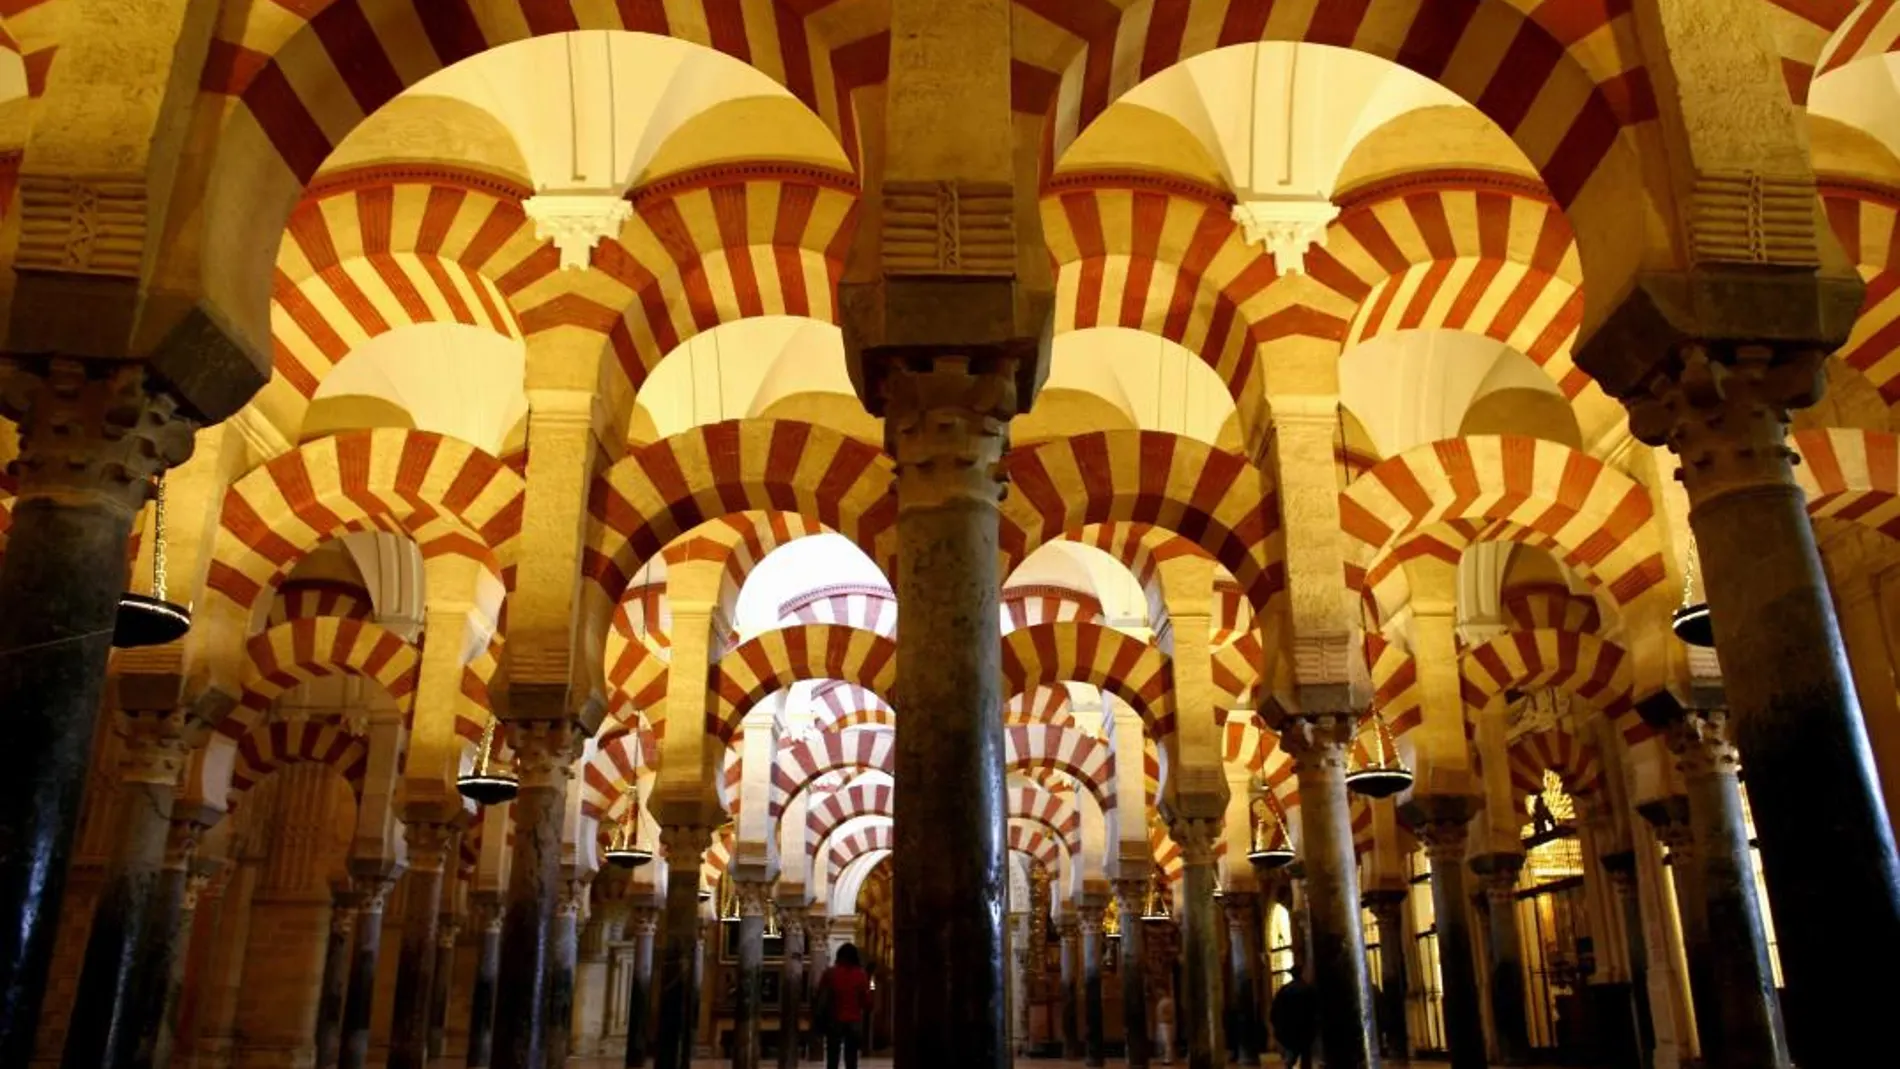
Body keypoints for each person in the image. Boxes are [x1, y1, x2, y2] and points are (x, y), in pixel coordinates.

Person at [815, 943, 871, 1069]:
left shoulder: (830, 973)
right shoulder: (860, 974)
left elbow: (820, 995)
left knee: (832, 1056)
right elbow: (866, 1000)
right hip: (853, 1020)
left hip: (834, 1019)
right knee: (851, 1057)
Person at [1270, 976, 1317, 1069]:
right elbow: (1315, 1009)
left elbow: (1275, 1010)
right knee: (1305, 1055)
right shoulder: (1308, 989)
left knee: (1292, 1053)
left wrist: (1277, 1026)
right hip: (1305, 1028)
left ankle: (1289, 1064)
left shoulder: (1285, 990)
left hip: (1290, 1028)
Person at [1154, 990, 1176, 1065]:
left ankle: (1168, 1058)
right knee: (1163, 1041)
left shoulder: (1168, 1002)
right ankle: (1165, 1057)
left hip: (1166, 1023)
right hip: (1163, 1023)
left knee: (1167, 1042)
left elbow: (1170, 1013)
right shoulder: (1164, 1002)